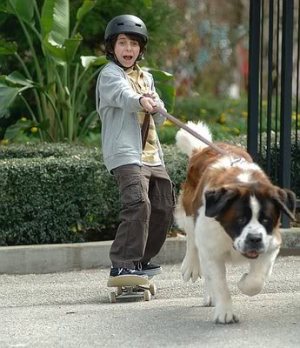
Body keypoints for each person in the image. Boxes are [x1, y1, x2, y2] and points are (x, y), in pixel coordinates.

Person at [95, 14, 175, 281]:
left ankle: (140, 261)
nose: (128, 49)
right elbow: (123, 96)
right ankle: (122, 263)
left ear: (141, 49)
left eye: (134, 44)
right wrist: (141, 99)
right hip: (126, 155)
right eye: (122, 43)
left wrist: (157, 104)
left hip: (152, 155)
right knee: (138, 204)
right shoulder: (109, 75)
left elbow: (160, 118)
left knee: (164, 207)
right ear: (111, 47)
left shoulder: (147, 78)